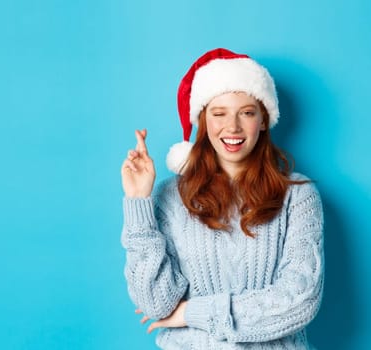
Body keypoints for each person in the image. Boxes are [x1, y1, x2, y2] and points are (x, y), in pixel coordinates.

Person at [119, 48, 324, 349]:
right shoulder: (170, 196)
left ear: (264, 120)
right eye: (219, 114)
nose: (233, 127)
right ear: (203, 121)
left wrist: (193, 312)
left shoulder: (298, 196)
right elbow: (156, 304)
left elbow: (299, 301)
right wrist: (138, 201)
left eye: (247, 112)